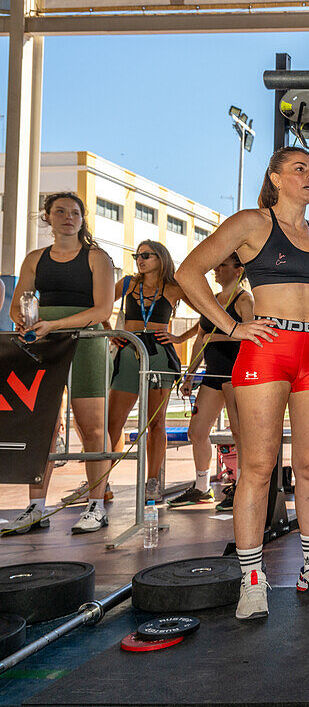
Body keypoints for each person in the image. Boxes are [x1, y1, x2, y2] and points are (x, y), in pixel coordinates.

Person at [176, 146, 309, 620]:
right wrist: (232, 327)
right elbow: (188, 272)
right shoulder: (252, 223)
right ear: (275, 178)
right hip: (266, 349)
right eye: (300, 169)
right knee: (257, 468)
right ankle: (252, 576)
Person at [4, 192, 115, 535]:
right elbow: (17, 303)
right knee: (43, 426)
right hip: (44, 344)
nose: (68, 217)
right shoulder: (35, 258)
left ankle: (97, 505)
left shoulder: (97, 258)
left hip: (86, 342)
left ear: (83, 219)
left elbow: (102, 312)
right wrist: (22, 321)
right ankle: (36, 507)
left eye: (75, 212)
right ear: (47, 218)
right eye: (60, 212)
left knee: (92, 427)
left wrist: (53, 324)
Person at [104, 239, 189, 510]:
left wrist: (179, 336)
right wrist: (110, 329)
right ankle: (101, 481)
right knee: (112, 423)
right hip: (129, 352)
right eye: (137, 255)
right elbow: (102, 304)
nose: (140, 259)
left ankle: (152, 481)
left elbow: (208, 315)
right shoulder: (129, 283)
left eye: (146, 255)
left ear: (161, 258)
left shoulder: (174, 288)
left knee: (156, 423)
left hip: (159, 356)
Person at [166, 254, 252, 509]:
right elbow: (200, 337)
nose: (216, 268)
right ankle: (202, 487)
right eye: (217, 263)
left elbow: (251, 335)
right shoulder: (212, 301)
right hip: (212, 374)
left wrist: (217, 340)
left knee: (239, 434)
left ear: (238, 270)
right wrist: (190, 375)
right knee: (197, 431)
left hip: (234, 374)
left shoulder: (245, 300)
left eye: (223, 264)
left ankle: (242, 487)